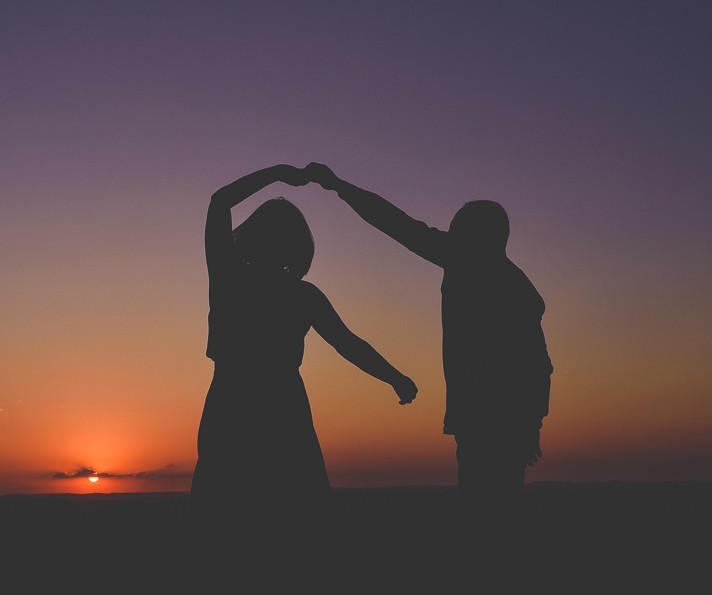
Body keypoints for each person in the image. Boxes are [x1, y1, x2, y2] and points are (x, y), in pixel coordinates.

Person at [305, 163, 552, 517]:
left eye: (457, 231)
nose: (448, 236)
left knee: (486, 509)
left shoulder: (475, 268)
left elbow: (397, 224)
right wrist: (531, 425)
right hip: (497, 419)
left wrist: (339, 186)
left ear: (473, 237)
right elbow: (539, 365)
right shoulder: (511, 284)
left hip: (489, 418)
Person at [191, 163, 418, 536]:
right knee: (294, 508)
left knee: (225, 507)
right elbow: (348, 343)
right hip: (279, 401)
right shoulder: (300, 294)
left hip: (233, 397)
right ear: (298, 245)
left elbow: (221, 200)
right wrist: (394, 377)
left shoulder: (229, 276)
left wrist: (281, 173)